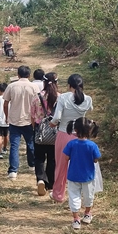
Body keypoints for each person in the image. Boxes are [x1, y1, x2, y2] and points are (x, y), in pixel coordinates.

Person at [49, 74, 93, 202]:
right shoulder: (88, 99)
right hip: (81, 136)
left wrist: (52, 124)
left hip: (64, 134)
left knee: (61, 166)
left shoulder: (63, 97)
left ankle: (58, 194)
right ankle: (79, 195)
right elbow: (89, 110)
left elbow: (57, 117)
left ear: (69, 85)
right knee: (80, 165)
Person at [2, 65, 41, 180]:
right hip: (30, 120)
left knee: (14, 146)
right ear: (29, 75)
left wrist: (7, 116)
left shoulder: (11, 86)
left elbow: (5, 104)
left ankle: (13, 171)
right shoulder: (34, 87)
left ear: (18, 75)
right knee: (31, 143)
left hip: (14, 120)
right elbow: (38, 104)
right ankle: (32, 165)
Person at [62, 117, 101, 230]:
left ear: (75, 130)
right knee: (88, 196)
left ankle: (76, 219)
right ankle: (87, 213)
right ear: (90, 130)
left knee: (74, 197)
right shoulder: (92, 145)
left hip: (73, 175)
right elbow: (96, 159)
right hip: (88, 176)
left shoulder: (71, 144)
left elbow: (65, 158)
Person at [31, 72, 58, 196]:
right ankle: (51, 184)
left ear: (44, 82)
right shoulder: (60, 98)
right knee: (52, 158)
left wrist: (34, 128)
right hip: (54, 131)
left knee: (39, 157)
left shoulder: (37, 97)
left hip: (40, 130)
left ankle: (41, 179)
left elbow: (32, 115)